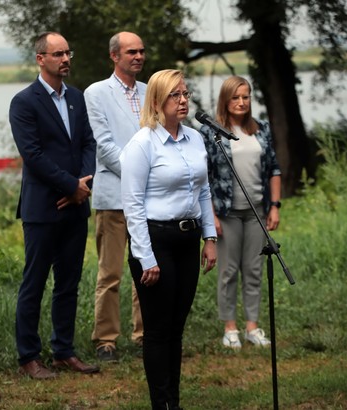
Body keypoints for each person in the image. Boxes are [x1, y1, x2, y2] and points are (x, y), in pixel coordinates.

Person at [120, 69, 217, 410]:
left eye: (186, 94)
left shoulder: (195, 138)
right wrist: (146, 257)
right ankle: (161, 403)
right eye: (176, 95)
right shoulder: (142, 144)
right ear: (158, 101)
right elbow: (131, 205)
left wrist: (209, 237)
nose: (183, 100)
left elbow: (203, 190)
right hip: (156, 240)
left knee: (176, 327)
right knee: (158, 330)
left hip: (187, 240)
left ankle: (172, 401)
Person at [9, 31, 99, 380]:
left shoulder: (76, 97)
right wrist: (69, 185)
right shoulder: (24, 101)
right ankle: (28, 356)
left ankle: (64, 351)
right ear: (40, 59)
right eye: (58, 54)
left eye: (67, 53)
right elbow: (32, 155)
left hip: (76, 206)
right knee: (34, 282)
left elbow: (89, 143)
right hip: (43, 208)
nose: (66, 59)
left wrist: (83, 183)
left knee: (69, 283)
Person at [200, 75, 282, 349]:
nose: (241, 102)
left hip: (257, 211)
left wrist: (275, 206)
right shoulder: (213, 133)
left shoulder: (261, 129)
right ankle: (230, 328)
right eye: (235, 97)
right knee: (229, 271)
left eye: (245, 97)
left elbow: (273, 169)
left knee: (255, 269)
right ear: (225, 99)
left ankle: (252, 327)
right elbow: (205, 177)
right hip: (226, 213)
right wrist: (210, 216)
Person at [83, 31, 146, 362]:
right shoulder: (96, 92)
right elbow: (104, 144)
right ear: (115, 56)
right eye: (131, 52)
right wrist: (139, 173)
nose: (137, 56)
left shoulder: (152, 92)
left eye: (141, 51)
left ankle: (144, 333)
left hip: (149, 198)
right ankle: (105, 338)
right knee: (110, 273)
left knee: (146, 268)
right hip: (114, 196)